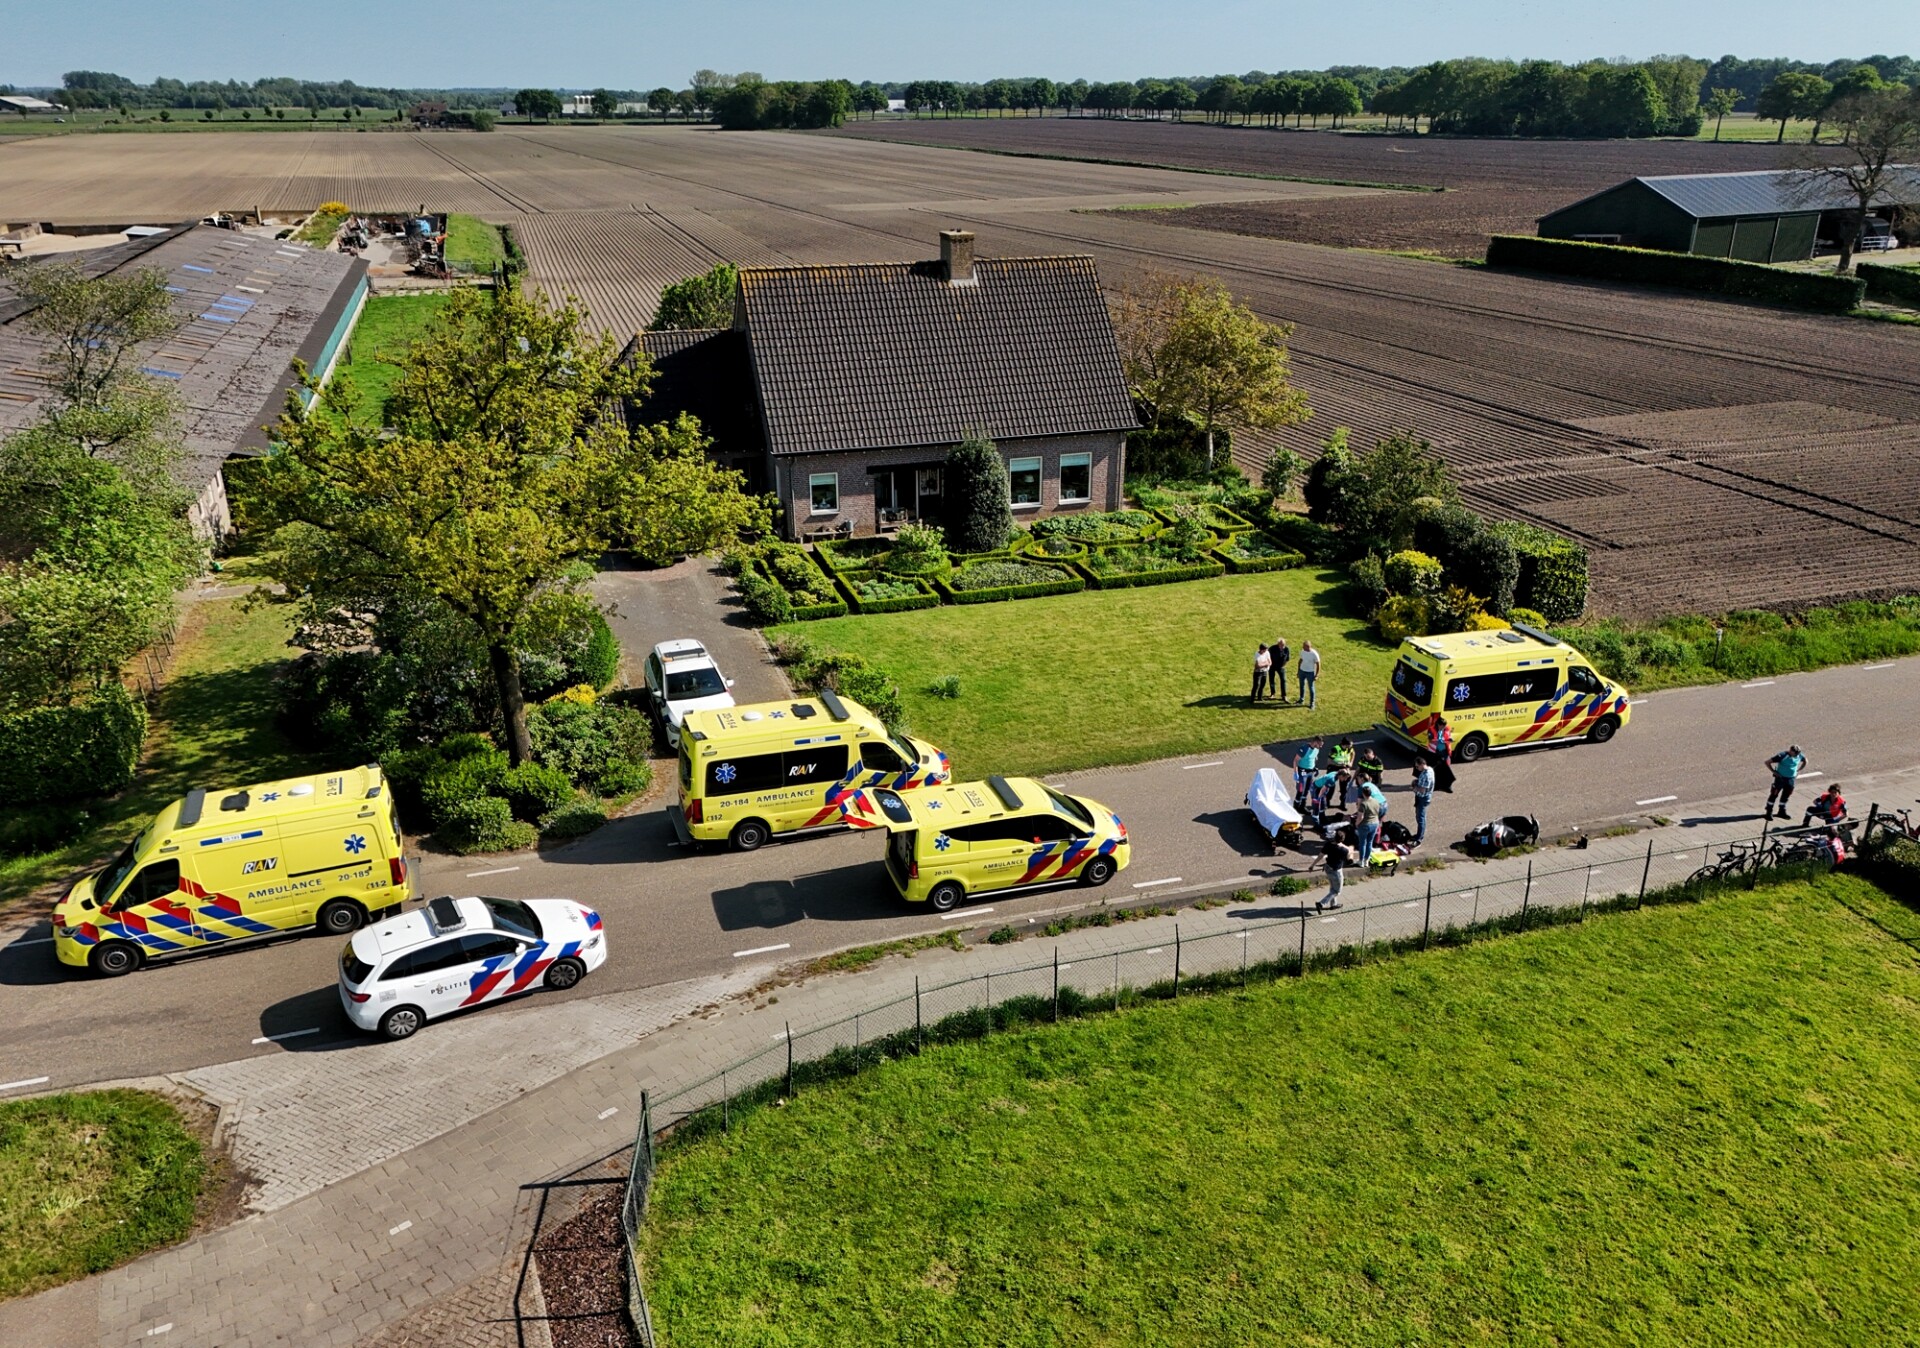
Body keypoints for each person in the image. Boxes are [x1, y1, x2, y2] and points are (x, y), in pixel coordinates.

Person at [1765, 745, 1806, 819]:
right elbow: (1767, 762)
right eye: (1795, 753)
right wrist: (1773, 771)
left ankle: (1781, 811)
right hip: (1780, 779)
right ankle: (1769, 811)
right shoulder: (1782, 755)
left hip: (1791, 779)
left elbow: (1805, 761)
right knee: (1774, 794)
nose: (1796, 755)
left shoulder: (1799, 756)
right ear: (1790, 751)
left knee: (1786, 795)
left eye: (1797, 753)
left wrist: (1798, 770)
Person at [1318, 835, 1352, 910]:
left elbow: (1320, 855)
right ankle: (1321, 903)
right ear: (1342, 840)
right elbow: (1349, 860)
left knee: (1333, 887)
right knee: (1337, 891)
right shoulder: (1343, 850)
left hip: (1328, 868)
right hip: (1336, 871)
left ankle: (1334, 904)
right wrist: (1349, 849)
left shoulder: (1328, 844)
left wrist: (1312, 865)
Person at [1355, 780, 1384, 864]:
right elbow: (1378, 812)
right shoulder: (1376, 801)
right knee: (1370, 842)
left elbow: (1361, 817)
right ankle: (1366, 860)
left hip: (1365, 824)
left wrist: (1357, 823)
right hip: (1375, 824)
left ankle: (1361, 861)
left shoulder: (1363, 804)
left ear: (1363, 794)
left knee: (1362, 843)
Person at [1411, 754, 1435, 846]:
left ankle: (1419, 838)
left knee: (1421, 818)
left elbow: (1422, 790)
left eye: (1417, 766)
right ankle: (1418, 835)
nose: (1417, 768)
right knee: (1419, 816)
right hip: (1421, 798)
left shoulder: (1427, 775)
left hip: (1423, 798)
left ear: (1422, 764)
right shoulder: (1428, 770)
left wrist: (1414, 787)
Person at [1427, 717, 1457, 794]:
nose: (1443, 727)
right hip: (1434, 752)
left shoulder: (1447, 729)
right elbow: (1430, 739)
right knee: (1434, 770)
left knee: (1447, 770)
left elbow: (1448, 736)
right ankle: (1434, 786)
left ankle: (1448, 786)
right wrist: (1439, 740)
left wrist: (1449, 739)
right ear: (1438, 724)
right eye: (1442, 726)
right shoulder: (1431, 729)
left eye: (1444, 726)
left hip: (1444, 751)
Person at [1293, 736, 1322, 806]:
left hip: (1310, 772)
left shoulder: (1317, 749)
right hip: (1302, 771)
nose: (1321, 746)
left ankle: (1302, 805)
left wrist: (1314, 768)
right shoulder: (1304, 748)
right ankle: (1296, 805)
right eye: (1320, 745)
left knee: (1307, 789)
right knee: (1301, 789)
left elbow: (1314, 758)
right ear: (1315, 742)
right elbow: (1295, 761)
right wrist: (1295, 773)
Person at [1296, 641, 1320, 708]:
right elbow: (1300, 661)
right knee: (1301, 686)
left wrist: (1317, 675)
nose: (1302, 647)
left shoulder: (1314, 654)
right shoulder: (1303, 651)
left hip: (1310, 672)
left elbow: (1318, 664)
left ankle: (1312, 703)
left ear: (1308, 646)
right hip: (1302, 671)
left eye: (1304, 646)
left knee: (1311, 688)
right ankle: (1301, 699)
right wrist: (1298, 671)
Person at [1268, 636, 1290, 702]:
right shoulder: (1272, 648)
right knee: (1271, 679)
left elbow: (1287, 658)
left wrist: (1283, 665)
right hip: (1272, 666)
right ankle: (1272, 693)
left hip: (1281, 667)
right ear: (1278, 644)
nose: (1283, 646)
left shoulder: (1286, 649)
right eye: (1281, 644)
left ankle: (1284, 695)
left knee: (1283, 680)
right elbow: (1267, 657)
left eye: (1284, 644)